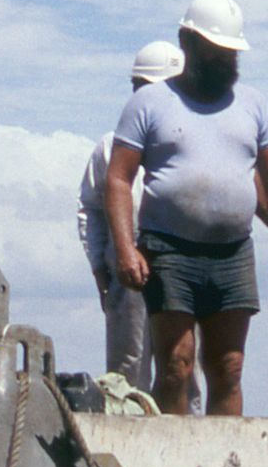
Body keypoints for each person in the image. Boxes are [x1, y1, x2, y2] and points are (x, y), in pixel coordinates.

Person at [104, 0, 268, 416]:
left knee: (229, 366)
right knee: (176, 365)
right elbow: (119, 179)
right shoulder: (150, 102)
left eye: (231, 54)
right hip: (169, 249)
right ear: (187, 43)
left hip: (232, 251)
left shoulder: (253, 105)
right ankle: (172, 465)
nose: (225, 62)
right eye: (216, 52)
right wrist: (125, 248)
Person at [77, 39, 186, 390]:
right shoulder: (111, 146)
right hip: (127, 273)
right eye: (141, 88)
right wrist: (99, 267)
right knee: (127, 372)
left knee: (185, 370)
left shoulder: (194, 144)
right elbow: (91, 209)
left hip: (185, 272)